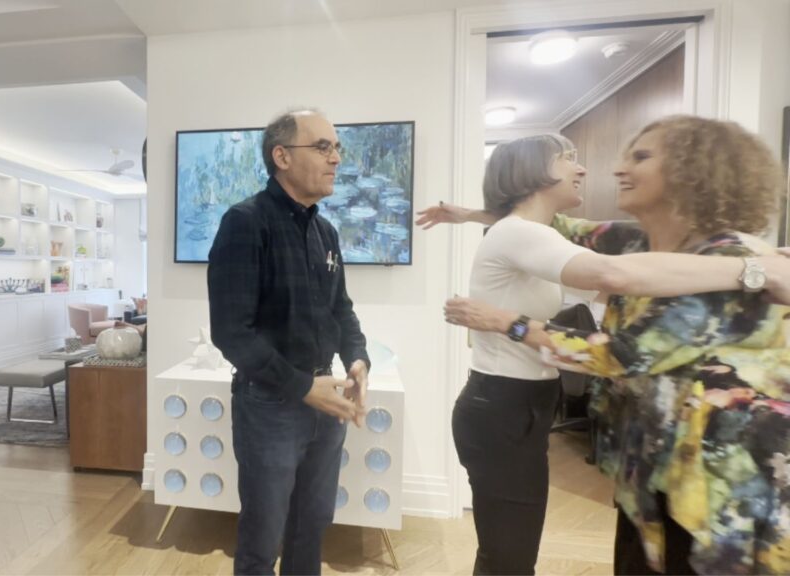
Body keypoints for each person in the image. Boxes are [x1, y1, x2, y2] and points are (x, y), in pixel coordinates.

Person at [439, 115, 790, 574]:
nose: (615, 169)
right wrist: (475, 214)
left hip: (716, 492)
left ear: (694, 171)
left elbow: (621, 352)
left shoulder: (730, 258)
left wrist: (508, 321)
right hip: (657, 476)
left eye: (640, 157)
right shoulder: (640, 241)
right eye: (569, 160)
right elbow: (555, 224)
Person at [207, 109, 370, 575]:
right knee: (263, 538)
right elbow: (231, 332)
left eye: (337, 147)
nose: (335, 158)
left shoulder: (326, 232)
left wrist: (357, 359)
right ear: (281, 156)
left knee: (312, 527)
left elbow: (341, 310)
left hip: (325, 403)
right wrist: (302, 386)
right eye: (323, 147)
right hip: (270, 407)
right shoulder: (244, 223)